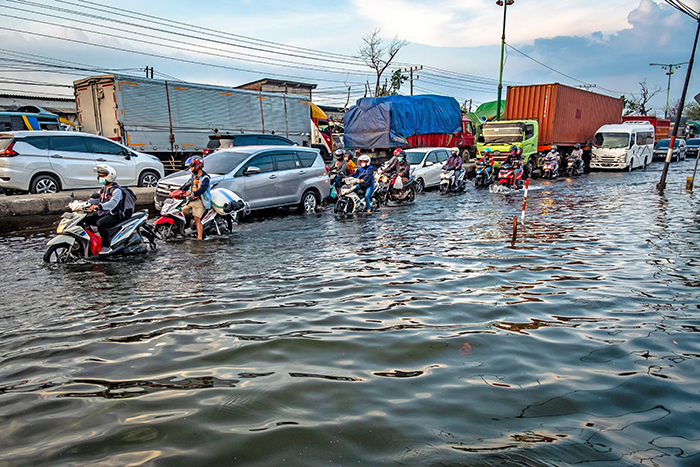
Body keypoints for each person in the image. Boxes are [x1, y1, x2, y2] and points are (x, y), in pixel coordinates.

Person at [85, 164, 124, 254]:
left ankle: (106, 246)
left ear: (110, 176)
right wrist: (82, 204)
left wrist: (100, 206)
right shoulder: (103, 189)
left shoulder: (116, 190)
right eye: (99, 176)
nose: (100, 178)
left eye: (103, 176)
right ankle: (92, 243)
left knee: (100, 224)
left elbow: (113, 203)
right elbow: (94, 200)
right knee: (84, 221)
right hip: (104, 213)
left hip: (114, 214)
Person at [180, 156, 211, 240]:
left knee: (197, 218)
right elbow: (187, 184)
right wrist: (179, 191)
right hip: (191, 200)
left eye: (192, 167)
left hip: (200, 201)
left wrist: (194, 193)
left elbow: (203, 188)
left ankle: (199, 238)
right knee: (181, 213)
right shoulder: (193, 176)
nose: (191, 169)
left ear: (198, 166)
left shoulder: (205, 178)